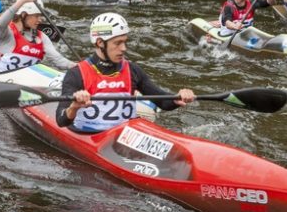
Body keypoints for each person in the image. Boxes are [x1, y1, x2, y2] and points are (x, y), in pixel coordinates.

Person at [57, 13, 194, 132]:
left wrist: (178, 98)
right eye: (117, 43)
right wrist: (74, 107)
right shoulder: (76, 74)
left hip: (122, 136)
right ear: (100, 43)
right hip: (87, 136)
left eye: (124, 42)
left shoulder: (132, 70)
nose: (123, 48)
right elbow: (61, 120)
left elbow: (163, 102)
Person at [0, 0, 76, 73]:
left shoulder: (41, 37)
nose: (40, 20)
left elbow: (59, 60)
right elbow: (0, 25)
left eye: (40, 16)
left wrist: (76, 66)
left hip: (26, 79)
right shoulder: (8, 33)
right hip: (1, 76)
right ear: (24, 15)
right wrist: (21, 1)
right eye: (36, 16)